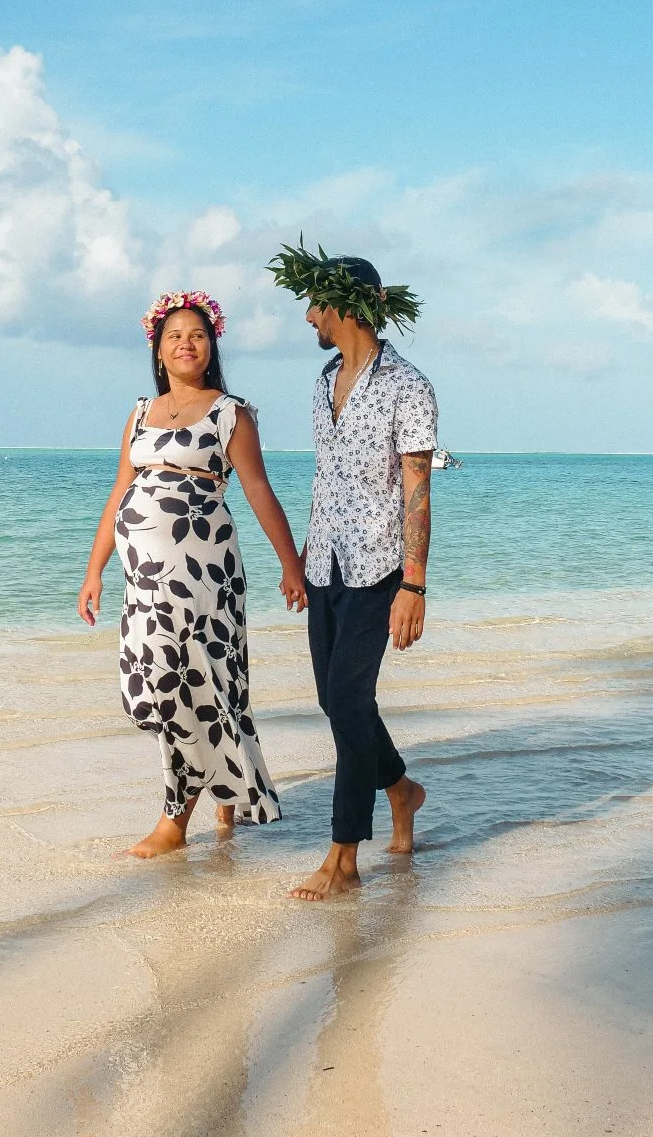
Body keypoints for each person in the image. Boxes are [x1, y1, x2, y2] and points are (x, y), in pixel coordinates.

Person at [78, 290, 308, 858]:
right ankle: (223, 789)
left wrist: (291, 565)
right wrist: (94, 570)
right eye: (175, 335)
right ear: (158, 349)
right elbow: (120, 490)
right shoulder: (140, 413)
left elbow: (258, 490)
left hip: (204, 572)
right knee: (156, 687)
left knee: (195, 685)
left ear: (212, 347)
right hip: (144, 582)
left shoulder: (230, 414)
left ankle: (174, 822)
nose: (186, 343)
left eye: (197, 335)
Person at [267, 241, 437, 900]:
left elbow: (417, 490)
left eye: (315, 304)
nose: (309, 316)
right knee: (337, 701)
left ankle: (343, 858)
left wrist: (414, 585)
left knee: (345, 700)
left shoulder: (408, 387)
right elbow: (327, 479)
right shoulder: (321, 382)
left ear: (345, 306)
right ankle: (402, 790)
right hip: (325, 564)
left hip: (380, 568)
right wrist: (300, 562)